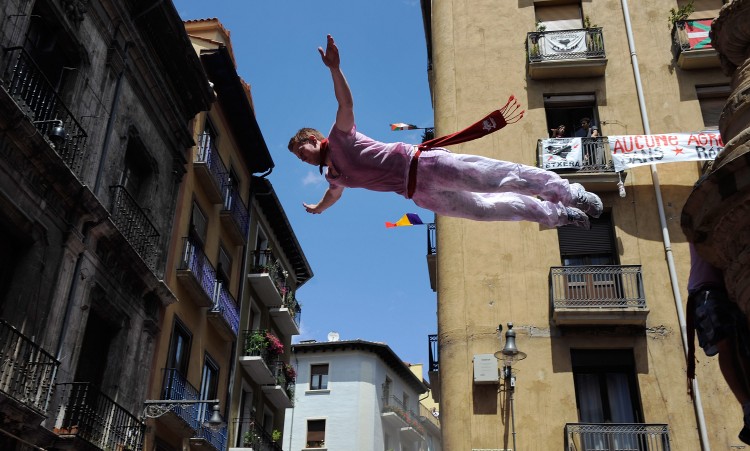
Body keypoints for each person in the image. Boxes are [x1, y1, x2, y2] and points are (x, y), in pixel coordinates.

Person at [288, 35, 603, 229]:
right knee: (483, 210)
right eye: (299, 158)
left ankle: (569, 193)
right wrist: (318, 207)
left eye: (302, 152)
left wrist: (334, 69)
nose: (303, 159)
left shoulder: (340, 136)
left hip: (424, 164)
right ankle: (558, 215)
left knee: (496, 180)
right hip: (421, 194)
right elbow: (333, 195)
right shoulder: (333, 176)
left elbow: (345, 103)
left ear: (314, 140)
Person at [686, 242, 750, 445]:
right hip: (708, 290)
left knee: (741, 347)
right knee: (728, 345)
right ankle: (747, 405)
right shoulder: (705, 229)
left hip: (725, 291)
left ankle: (748, 407)